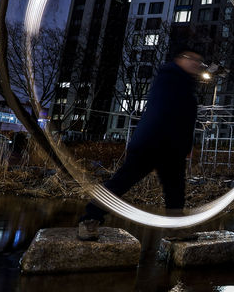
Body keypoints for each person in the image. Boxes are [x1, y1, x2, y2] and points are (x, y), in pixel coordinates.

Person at [77, 47, 206, 240]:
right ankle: (89, 219)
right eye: (192, 59)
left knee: (175, 188)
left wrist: (185, 147)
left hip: (172, 147)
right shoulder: (169, 77)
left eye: (199, 61)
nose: (196, 64)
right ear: (180, 59)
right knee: (123, 181)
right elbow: (167, 112)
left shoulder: (186, 84)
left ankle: (175, 229)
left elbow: (186, 120)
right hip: (152, 142)